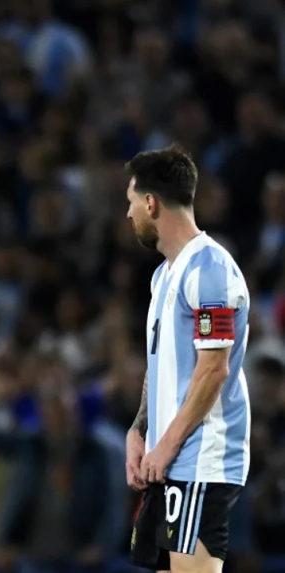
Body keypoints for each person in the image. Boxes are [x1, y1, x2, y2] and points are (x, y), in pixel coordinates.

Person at [124, 145, 250, 573]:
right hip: (172, 457)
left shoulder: (210, 268)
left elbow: (214, 368)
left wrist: (168, 444)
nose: (128, 216)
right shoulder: (164, 275)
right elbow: (162, 366)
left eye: (130, 203)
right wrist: (140, 430)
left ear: (150, 203)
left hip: (202, 457)